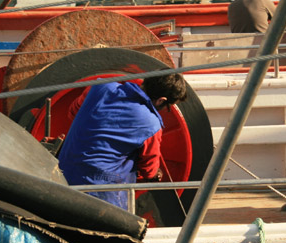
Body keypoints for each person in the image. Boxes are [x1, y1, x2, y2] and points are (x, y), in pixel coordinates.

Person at [57, 73, 188, 210]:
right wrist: (156, 173)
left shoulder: (100, 86)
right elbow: (148, 169)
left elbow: (73, 112)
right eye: (168, 107)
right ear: (161, 100)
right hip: (102, 193)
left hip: (64, 173)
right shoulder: (151, 124)